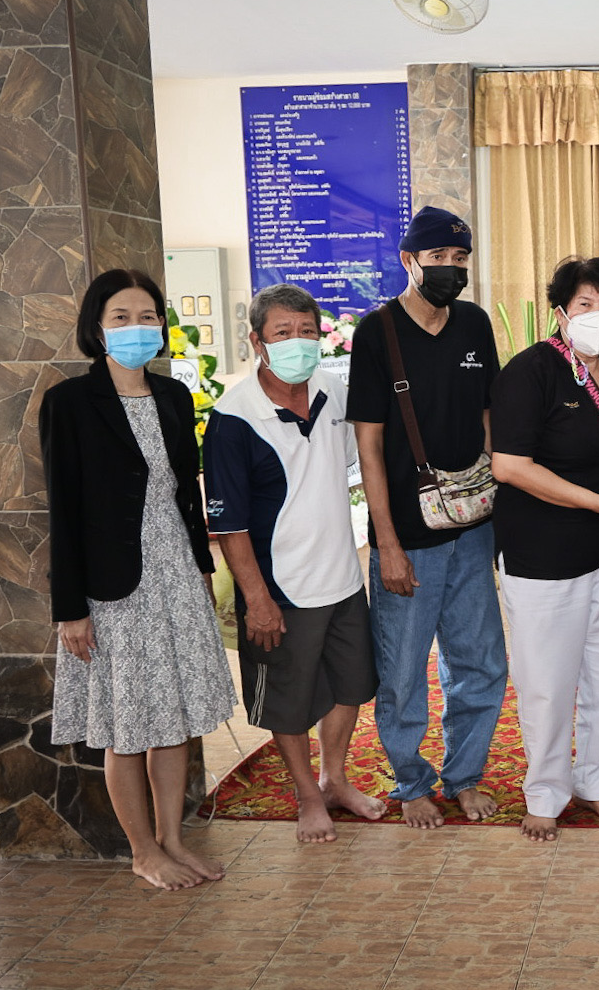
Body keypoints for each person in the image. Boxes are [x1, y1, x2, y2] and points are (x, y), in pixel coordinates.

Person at [41, 268, 236, 890]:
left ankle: (173, 840)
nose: (136, 327)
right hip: (112, 587)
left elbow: (185, 494)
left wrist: (203, 569)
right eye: (121, 317)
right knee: (127, 725)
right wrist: (71, 609)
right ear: (97, 328)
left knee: (172, 717)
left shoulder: (174, 396)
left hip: (175, 572)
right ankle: (143, 850)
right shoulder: (70, 403)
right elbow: (63, 510)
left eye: (148, 316)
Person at [205, 284, 385, 844]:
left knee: (350, 687)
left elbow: (356, 463)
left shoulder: (333, 390)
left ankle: (335, 780)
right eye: (283, 333)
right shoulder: (233, 417)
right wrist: (256, 600)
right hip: (280, 589)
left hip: (343, 578)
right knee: (287, 700)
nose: (298, 342)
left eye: (307, 331)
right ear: (257, 342)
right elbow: (229, 525)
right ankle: (307, 795)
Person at [347, 205, 507, 828]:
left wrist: (499, 505)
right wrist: (386, 542)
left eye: (460, 258)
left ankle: (464, 776)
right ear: (409, 260)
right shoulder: (377, 332)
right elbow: (368, 444)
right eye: (438, 257)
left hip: (473, 527)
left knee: (480, 663)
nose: (450, 268)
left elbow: (490, 419)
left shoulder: (474, 323)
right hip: (409, 538)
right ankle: (412, 782)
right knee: (402, 671)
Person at [491, 256, 599, 841]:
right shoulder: (530, 371)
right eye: (586, 305)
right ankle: (544, 793)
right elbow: (510, 466)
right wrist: (598, 504)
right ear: (560, 312)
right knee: (547, 683)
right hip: (544, 557)